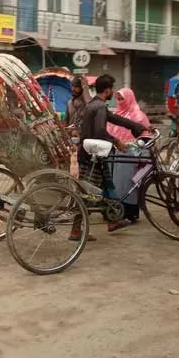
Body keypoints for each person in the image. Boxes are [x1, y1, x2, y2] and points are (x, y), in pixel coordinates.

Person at [73, 74, 148, 240]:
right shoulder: (99, 107)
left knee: (109, 187)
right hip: (92, 156)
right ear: (107, 90)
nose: (112, 92)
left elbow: (115, 118)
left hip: (95, 154)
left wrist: (137, 126)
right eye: (111, 89)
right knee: (87, 194)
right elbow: (100, 131)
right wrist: (116, 141)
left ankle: (113, 220)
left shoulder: (94, 104)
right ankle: (76, 230)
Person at [107, 87, 151, 224]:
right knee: (117, 184)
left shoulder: (138, 116)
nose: (120, 101)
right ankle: (116, 211)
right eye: (118, 98)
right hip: (116, 153)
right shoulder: (116, 114)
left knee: (130, 183)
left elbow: (145, 136)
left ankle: (131, 213)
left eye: (122, 98)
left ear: (129, 98)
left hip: (132, 154)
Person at [65, 77, 92, 180]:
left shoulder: (87, 103)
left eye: (76, 87)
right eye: (72, 87)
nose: (73, 89)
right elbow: (67, 122)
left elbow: (90, 105)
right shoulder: (69, 103)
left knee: (81, 165)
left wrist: (85, 88)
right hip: (71, 140)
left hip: (84, 139)